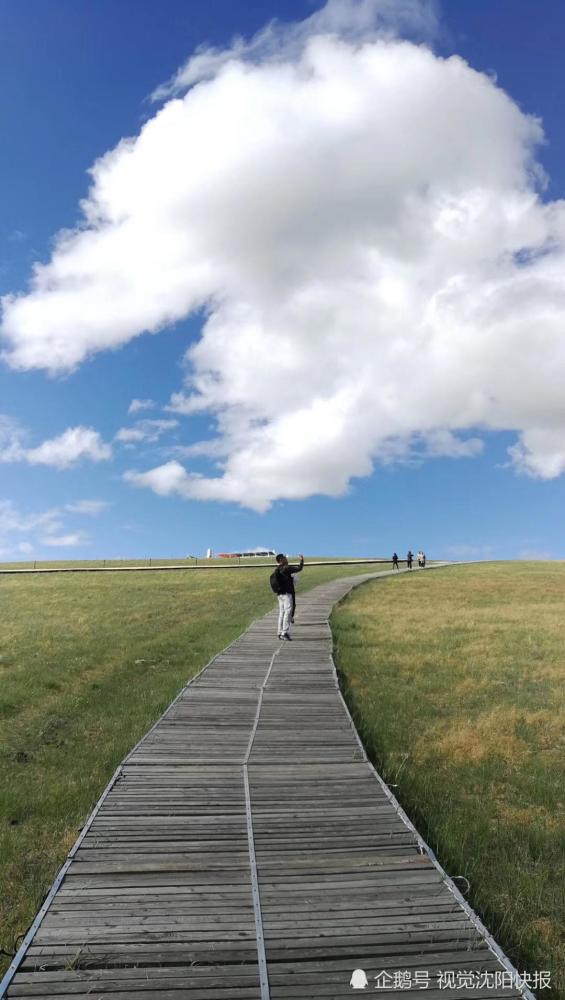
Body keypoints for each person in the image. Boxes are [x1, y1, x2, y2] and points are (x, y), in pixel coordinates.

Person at [272, 553, 304, 640]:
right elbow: (299, 568)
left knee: (281, 612)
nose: (287, 559)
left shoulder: (277, 569)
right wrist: (301, 560)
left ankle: (279, 632)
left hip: (280, 595)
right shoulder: (286, 568)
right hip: (287, 594)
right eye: (285, 558)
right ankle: (284, 633)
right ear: (281, 560)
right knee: (288, 611)